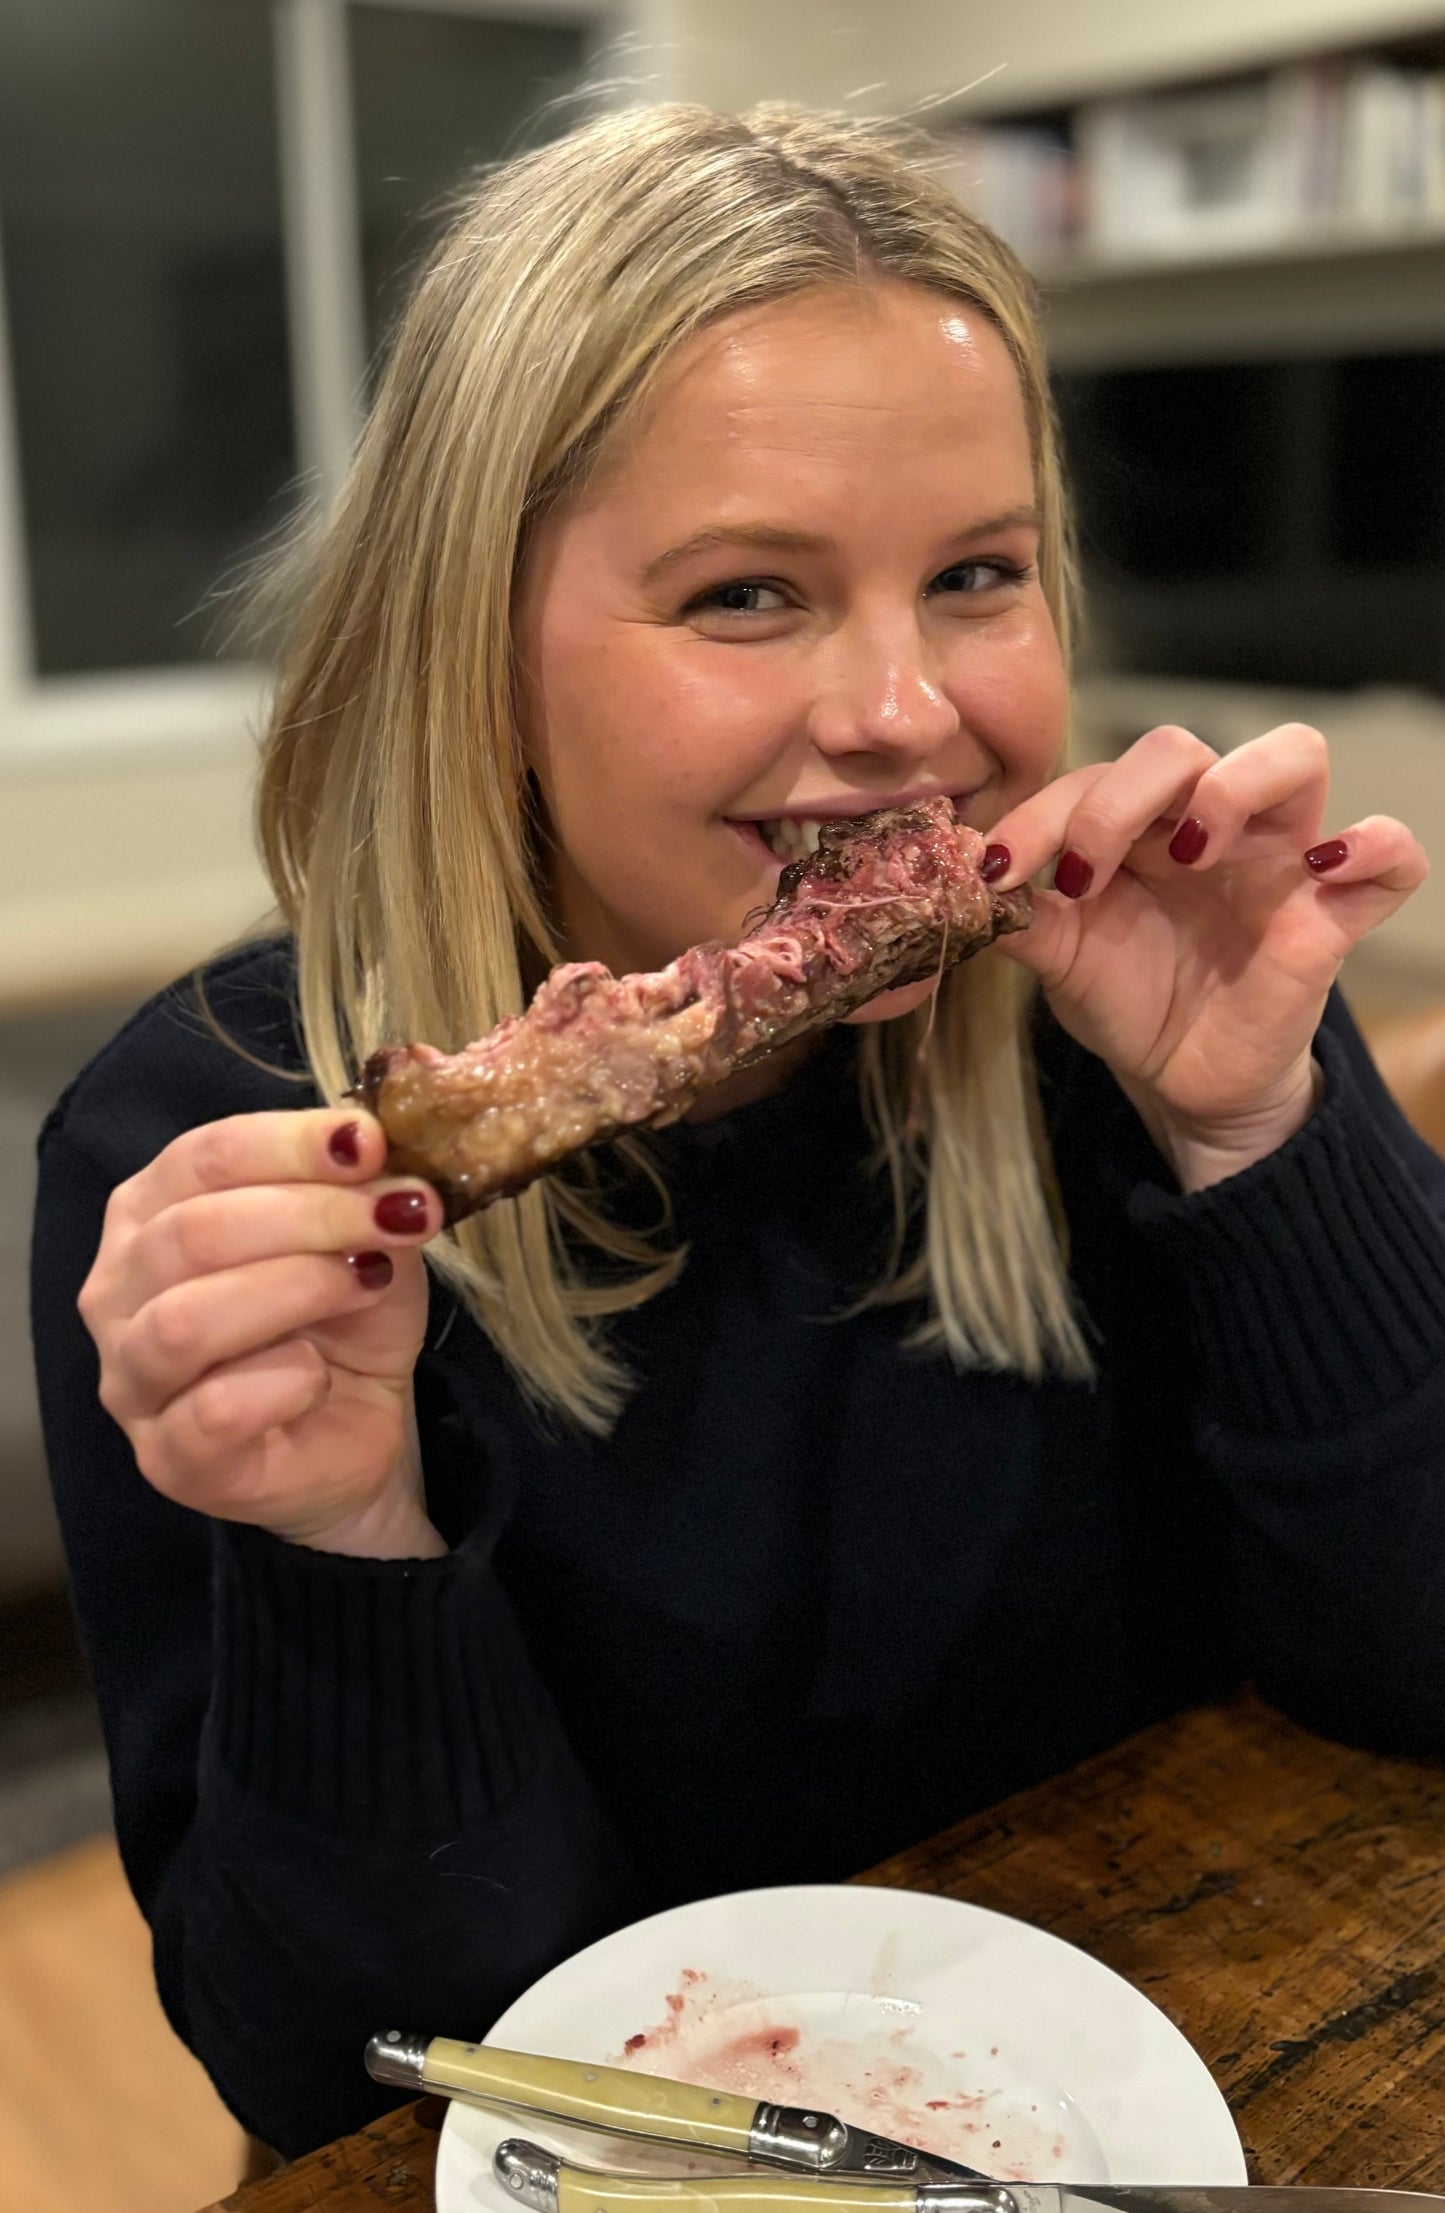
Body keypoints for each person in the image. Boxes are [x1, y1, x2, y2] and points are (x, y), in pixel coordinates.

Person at [30, 104, 1443, 2161]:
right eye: (748, 596)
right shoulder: (218, 1150)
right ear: (480, 648)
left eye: (976, 574)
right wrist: (344, 1533)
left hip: (1143, 2081)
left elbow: (1422, 1673)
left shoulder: (1107, 1023)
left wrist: (1265, 1130)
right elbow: (350, 2073)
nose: (901, 708)